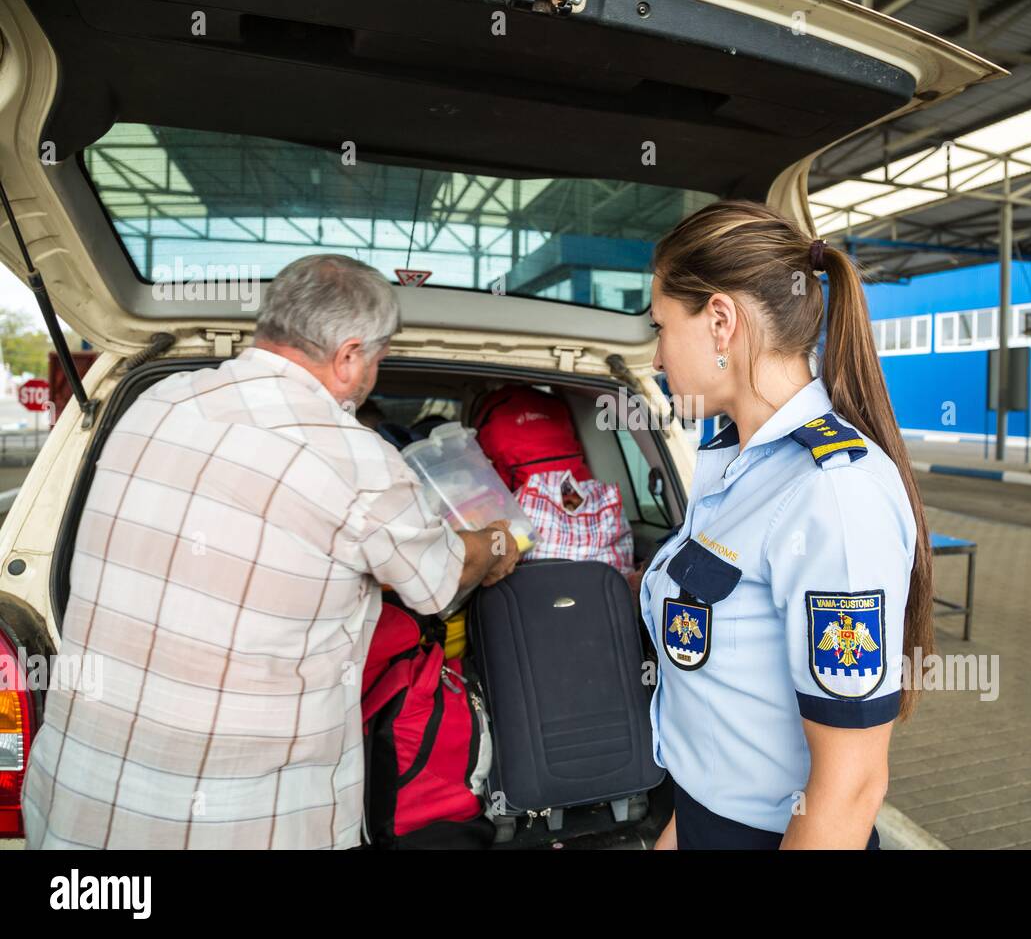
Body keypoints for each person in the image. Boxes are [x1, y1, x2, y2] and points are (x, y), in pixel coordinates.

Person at [21, 254, 519, 849]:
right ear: (350, 356)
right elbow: (440, 580)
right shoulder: (356, 459)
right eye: (379, 359)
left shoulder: (155, 403)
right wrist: (497, 540)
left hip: (81, 809)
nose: (374, 376)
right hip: (243, 823)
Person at [639, 200, 934, 850]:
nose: (657, 358)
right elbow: (724, 719)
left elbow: (851, 784)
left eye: (660, 327)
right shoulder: (731, 463)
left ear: (720, 321)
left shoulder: (831, 491)